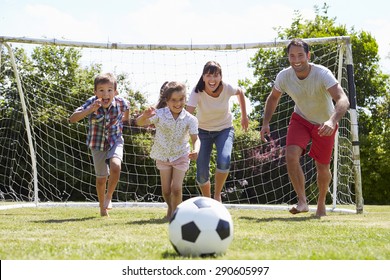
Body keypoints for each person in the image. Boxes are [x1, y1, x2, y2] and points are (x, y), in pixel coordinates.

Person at [260, 38, 350, 217]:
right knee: (291, 155)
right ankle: (302, 201)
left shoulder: (322, 74)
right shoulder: (284, 76)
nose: (296, 59)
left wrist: (332, 121)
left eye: (300, 55)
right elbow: (273, 98)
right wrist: (265, 122)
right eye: (292, 56)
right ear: (288, 57)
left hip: (325, 124)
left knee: (322, 166)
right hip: (300, 119)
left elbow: (343, 99)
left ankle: (321, 203)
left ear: (308, 55)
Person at [136, 81, 200, 219]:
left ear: (185, 98)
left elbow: (196, 139)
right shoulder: (159, 114)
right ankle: (171, 209)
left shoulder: (191, 119)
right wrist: (144, 116)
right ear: (167, 101)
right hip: (162, 155)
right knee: (166, 191)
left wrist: (196, 150)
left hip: (181, 155)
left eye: (181, 99)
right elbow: (139, 122)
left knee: (176, 189)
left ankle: (175, 216)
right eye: (174, 100)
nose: (178, 103)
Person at [186, 61, 249, 202]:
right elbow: (187, 115)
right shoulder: (197, 91)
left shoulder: (227, 88)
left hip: (224, 130)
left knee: (224, 160)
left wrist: (244, 116)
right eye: (208, 75)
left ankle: (217, 195)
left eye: (215, 75)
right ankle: (208, 200)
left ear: (220, 77)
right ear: (203, 77)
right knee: (201, 173)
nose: (212, 79)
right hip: (202, 132)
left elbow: (240, 92)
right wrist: (184, 136)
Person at [69, 73, 130, 217]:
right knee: (101, 179)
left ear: (115, 92)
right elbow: (72, 119)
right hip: (97, 144)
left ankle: (109, 197)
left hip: (115, 140)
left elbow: (127, 112)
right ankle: (102, 209)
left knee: (116, 166)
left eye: (109, 90)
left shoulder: (121, 102)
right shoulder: (91, 102)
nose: (105, 93)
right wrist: (90, 109)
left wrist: (124, 123)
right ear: (95, 92)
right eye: (101, 90)